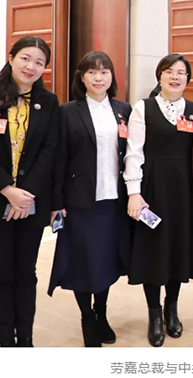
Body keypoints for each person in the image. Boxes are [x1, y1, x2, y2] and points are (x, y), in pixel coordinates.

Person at [0, 36, 60, 347]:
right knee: (1, 274)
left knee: (26, 273)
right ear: (11, 57)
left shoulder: (48, 101)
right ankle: (6, 340)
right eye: (25, 58)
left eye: (39, 62)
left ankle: (25, 339)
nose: (31, 66)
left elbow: (49, 150)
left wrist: (25, 194)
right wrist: (8, 190)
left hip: (30, 202)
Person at [48, 51, 131, 347]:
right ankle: (87, 318)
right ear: (81, 77)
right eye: (92, 72)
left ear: (112, 76)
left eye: (104, 71)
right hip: (80, 202)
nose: (99, 77)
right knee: (83, 262)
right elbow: (58, 160)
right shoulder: (68, 111)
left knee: (105, 261)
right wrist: (56, 202)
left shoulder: (123, 109)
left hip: (113, 201)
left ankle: (101, 313)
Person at [125, 53, 193, 347]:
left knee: (178, 249)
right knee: (153, 250)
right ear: (160, 76)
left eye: (181, 72)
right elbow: (134, 152)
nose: (175, 76)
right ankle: (154, 313)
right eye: (169, 71)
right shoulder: (143, 108)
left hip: (183, 191)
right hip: (153, 189)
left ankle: (172, 307)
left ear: (187, 79)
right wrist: (134, 192)